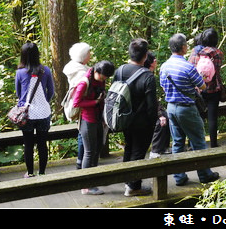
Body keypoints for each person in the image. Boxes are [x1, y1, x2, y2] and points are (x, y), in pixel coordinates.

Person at [160, 33, 220, 186]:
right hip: (186, 108)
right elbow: (202, 86)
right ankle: (205, 174)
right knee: (198, 140)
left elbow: (162, 86)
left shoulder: (164, 66)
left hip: (171, 108)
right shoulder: (188, 66)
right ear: (183, 48)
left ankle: (179, 177)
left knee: (178, 142)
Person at [115, 38, 158, 197]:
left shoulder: (119, 71)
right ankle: (133, 187)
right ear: (145, 56)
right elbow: (151, 105)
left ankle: (127, 180)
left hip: (124, 119)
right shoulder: (147, 76)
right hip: (142, 122)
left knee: (129, 147)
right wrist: (153, 122)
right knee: (138, 153)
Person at [73, 60, 114, 195]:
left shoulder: (100, 80)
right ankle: (86, 186)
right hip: (87, 120)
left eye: (106, 78)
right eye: (103, 77)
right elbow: (76, 102)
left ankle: (94, 179)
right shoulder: (84, 82)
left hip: (98, 119)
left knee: (97, 150)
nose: (104, 79)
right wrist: (95, 102)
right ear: (96, 72)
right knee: (89, 152)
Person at [15, 41, 55, 178]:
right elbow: (51, 92)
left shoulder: (20, 73)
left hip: (27, 114)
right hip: (43, 113)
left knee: (28, 144)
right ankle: (42, 172)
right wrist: (43, 103)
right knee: (42, 144)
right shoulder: (46, 70)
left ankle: (30, 172)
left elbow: (19, 94)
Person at [189, 27, 226, 147]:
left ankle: (194, 144)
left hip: (199, 89)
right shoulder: (218, 53)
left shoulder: (195, 52)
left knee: (196, 117)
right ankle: (214, 144)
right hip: (214, 89)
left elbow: (191, 67)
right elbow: (218, 68)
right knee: (212, 118)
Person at [63, 42, 92, 169]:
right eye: (89, 53)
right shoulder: (81, 73)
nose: (90, 55)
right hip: (81, 106)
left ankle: (81, 161)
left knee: (81, 132)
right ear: (83, 56)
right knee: (82, 133)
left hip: (77, 105)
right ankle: (81, 161)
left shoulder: (74, 67)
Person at [145, 51, 171, 159]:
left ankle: (163, 147)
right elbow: (151, 100)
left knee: (167, 115)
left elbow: (154, 99)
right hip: (143, 110)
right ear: (153, 62)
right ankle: (155, 150)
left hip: (148, 107)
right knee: (161, 121)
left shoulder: (148, 74)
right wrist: (159, 114)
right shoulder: (147, 76)